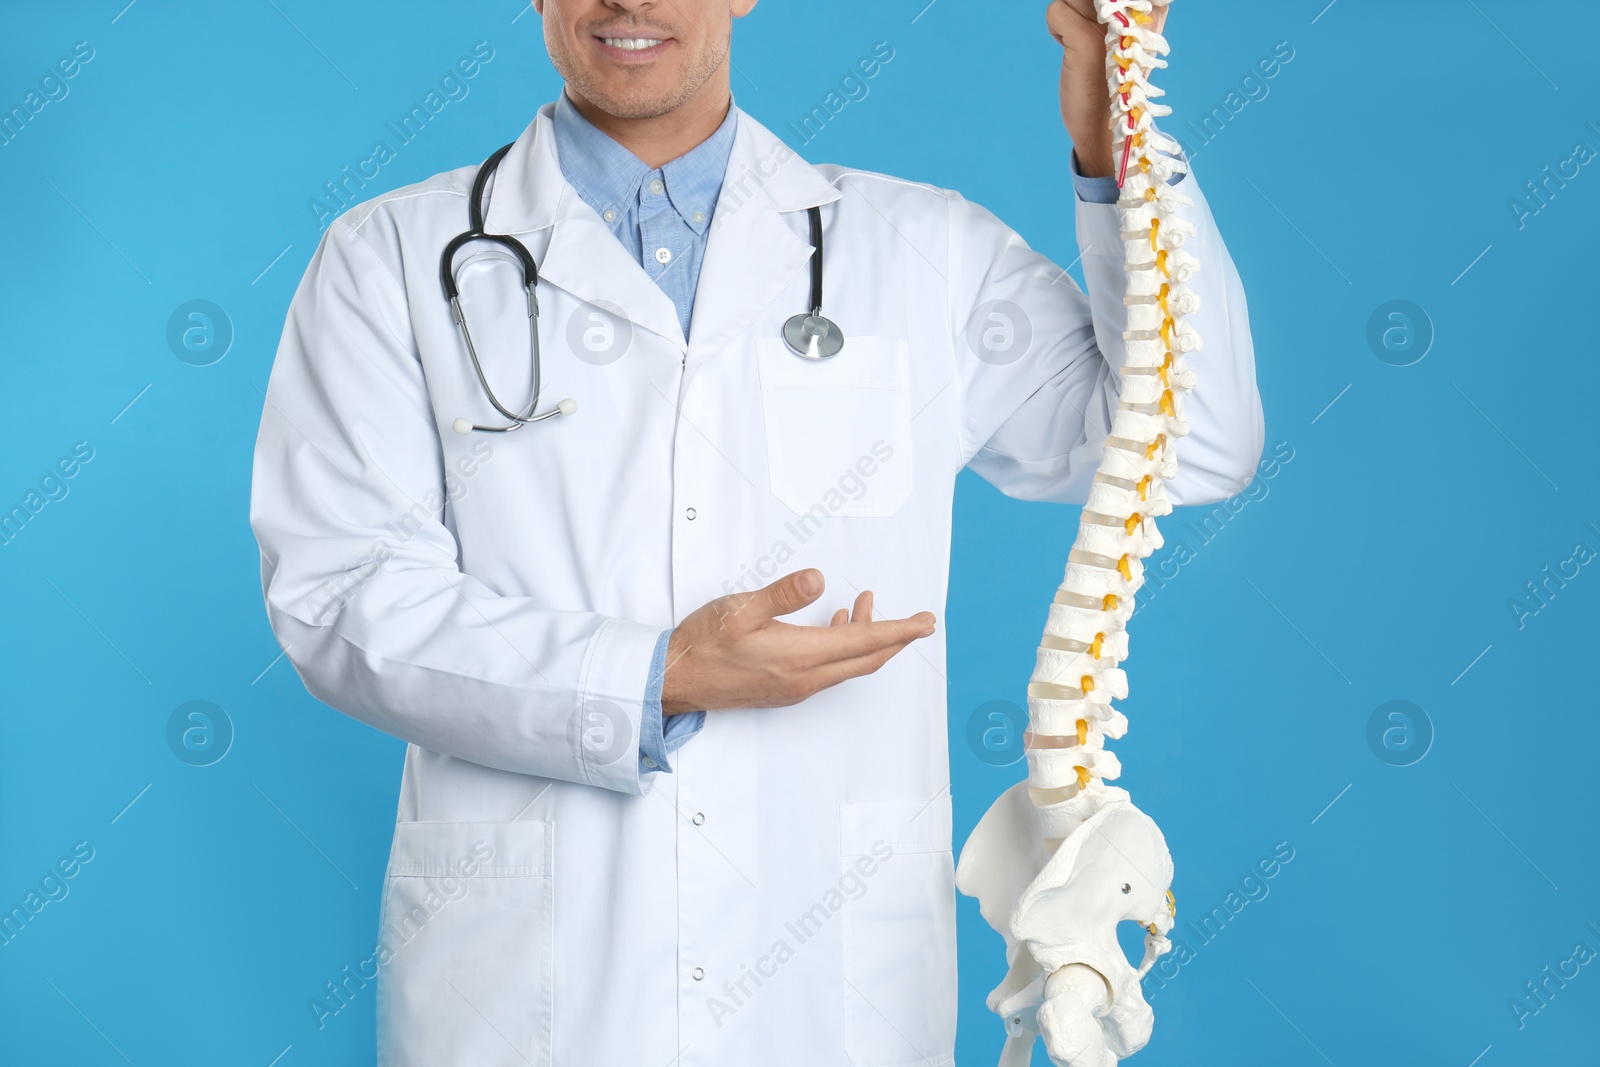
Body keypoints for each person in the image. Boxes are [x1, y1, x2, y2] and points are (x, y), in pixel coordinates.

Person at [249, 0, 1262, 1063]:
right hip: (538, 988)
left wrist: (1119, 148)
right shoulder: (392, 257)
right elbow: (342, 594)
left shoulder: (923, 250)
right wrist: (653, 675)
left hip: (831, 977)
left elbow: (1188, 444)